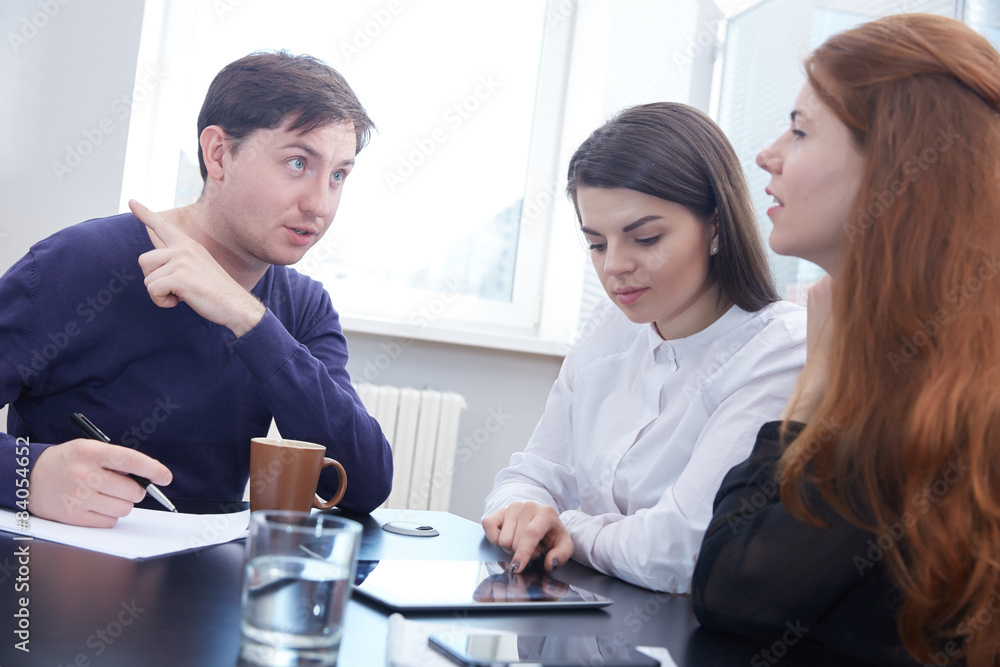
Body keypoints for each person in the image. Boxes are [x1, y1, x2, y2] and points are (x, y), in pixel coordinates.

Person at [691, 13, 1000, 667]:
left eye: (801, 130)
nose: (767, 154)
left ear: (897, 166)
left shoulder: (922, 402)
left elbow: (733, 588)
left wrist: (817, 388)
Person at [0, 51, 393, 527]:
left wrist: (247, 318)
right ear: (219, 153)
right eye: (297, 163)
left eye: (338, 175)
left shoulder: (305, 308)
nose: (320, 205)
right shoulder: (76, 262)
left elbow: (365, 484)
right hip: (62, 565)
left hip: (209, 567)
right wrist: (25, 475)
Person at [482, 102, 807, 592]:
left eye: (646, 238)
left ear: (716, 227)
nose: (614, 265)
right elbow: (529, 477)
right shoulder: (609, 327)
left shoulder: (778, 350)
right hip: (576, 605)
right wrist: (522, 512)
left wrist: (562, 527)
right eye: (597, 243)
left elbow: (677, 550)